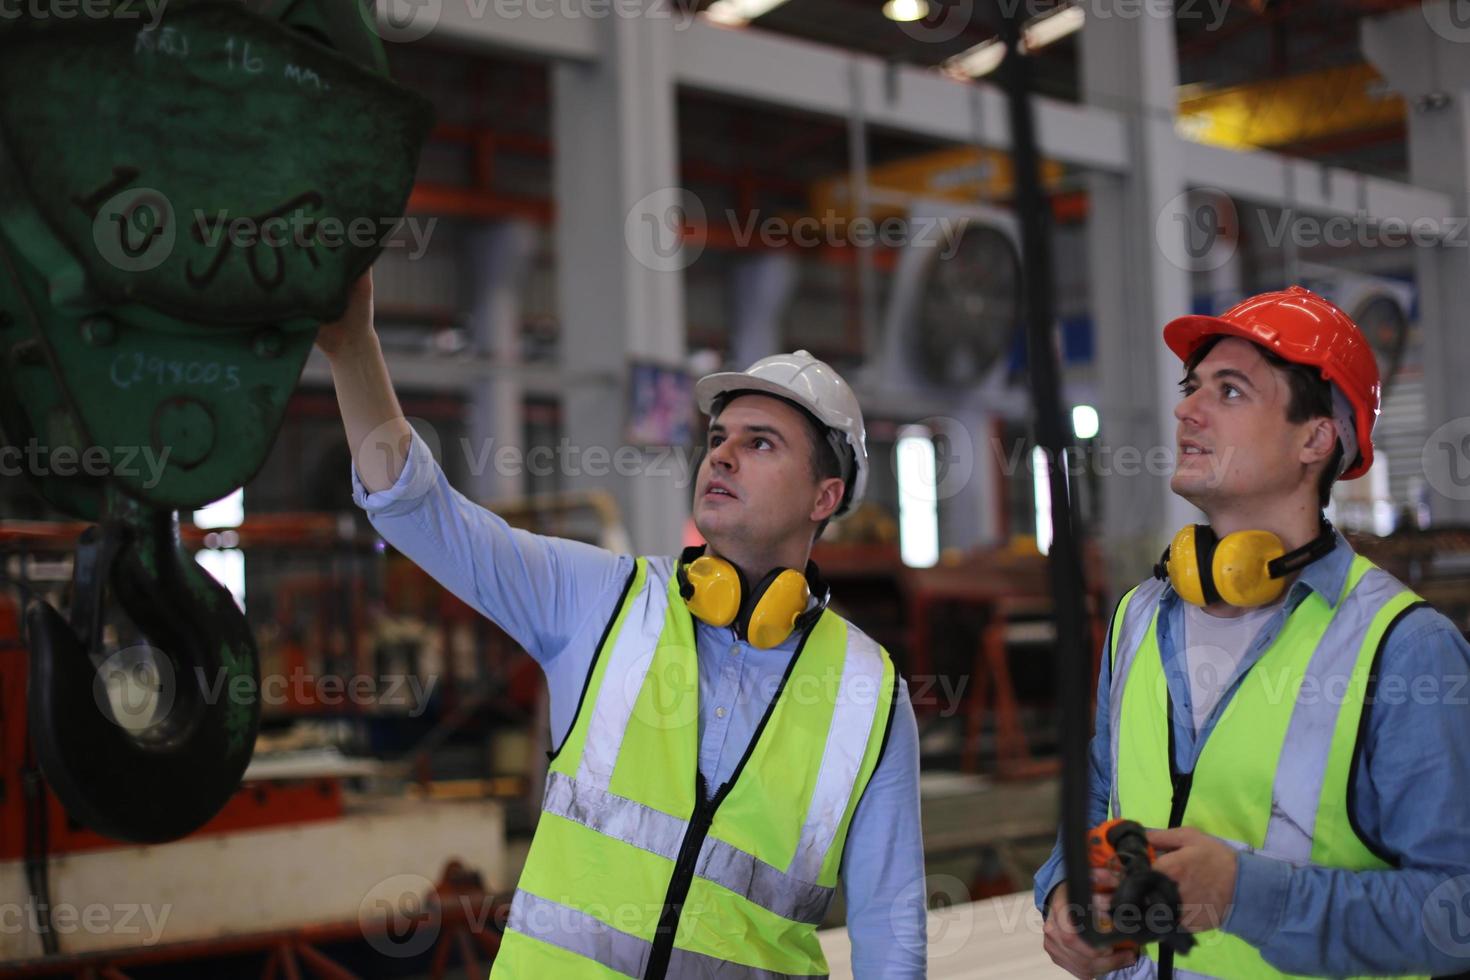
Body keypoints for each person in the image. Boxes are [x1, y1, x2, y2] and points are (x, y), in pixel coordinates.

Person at [318, 272, 926, 978]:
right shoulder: (604, 604)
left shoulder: (869, 695)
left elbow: (891, 935)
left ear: (826, 496)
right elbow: (421, 515)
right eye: (719, 436)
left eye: (761, 444)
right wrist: (353, 347)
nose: (721, 455)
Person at [1034, 286, 1470, 978]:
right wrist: (1066, 889)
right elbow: (1099, 789)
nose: (1186, 410)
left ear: (1315, 438)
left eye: (1230, 392)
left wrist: (1247, 896)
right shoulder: (1141, 615)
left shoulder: (1404, 648)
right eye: (1192, 387)